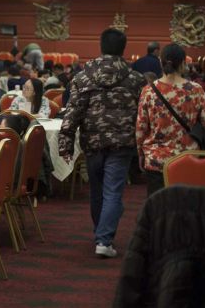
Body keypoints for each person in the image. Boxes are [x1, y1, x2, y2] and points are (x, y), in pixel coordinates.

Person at [59, 28, 145, 259]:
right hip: (122, 144)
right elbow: (142, 115)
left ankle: (102, 236)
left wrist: (65, 143)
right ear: (123, 48)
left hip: (92, 142)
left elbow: (72, 112)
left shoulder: (83, 77)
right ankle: (104, 239)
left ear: (101, 45)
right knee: (113, 192)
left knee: (97, 191)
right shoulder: (136, 79)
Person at [136, 43, 205, 195]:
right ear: (183, 63)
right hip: (188, 158)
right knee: (186, 207)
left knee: (159, 209)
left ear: (161, 62)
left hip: (156, 160)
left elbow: (141, 128)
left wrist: (141, 153)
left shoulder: (148, 91)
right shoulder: (195, 89)